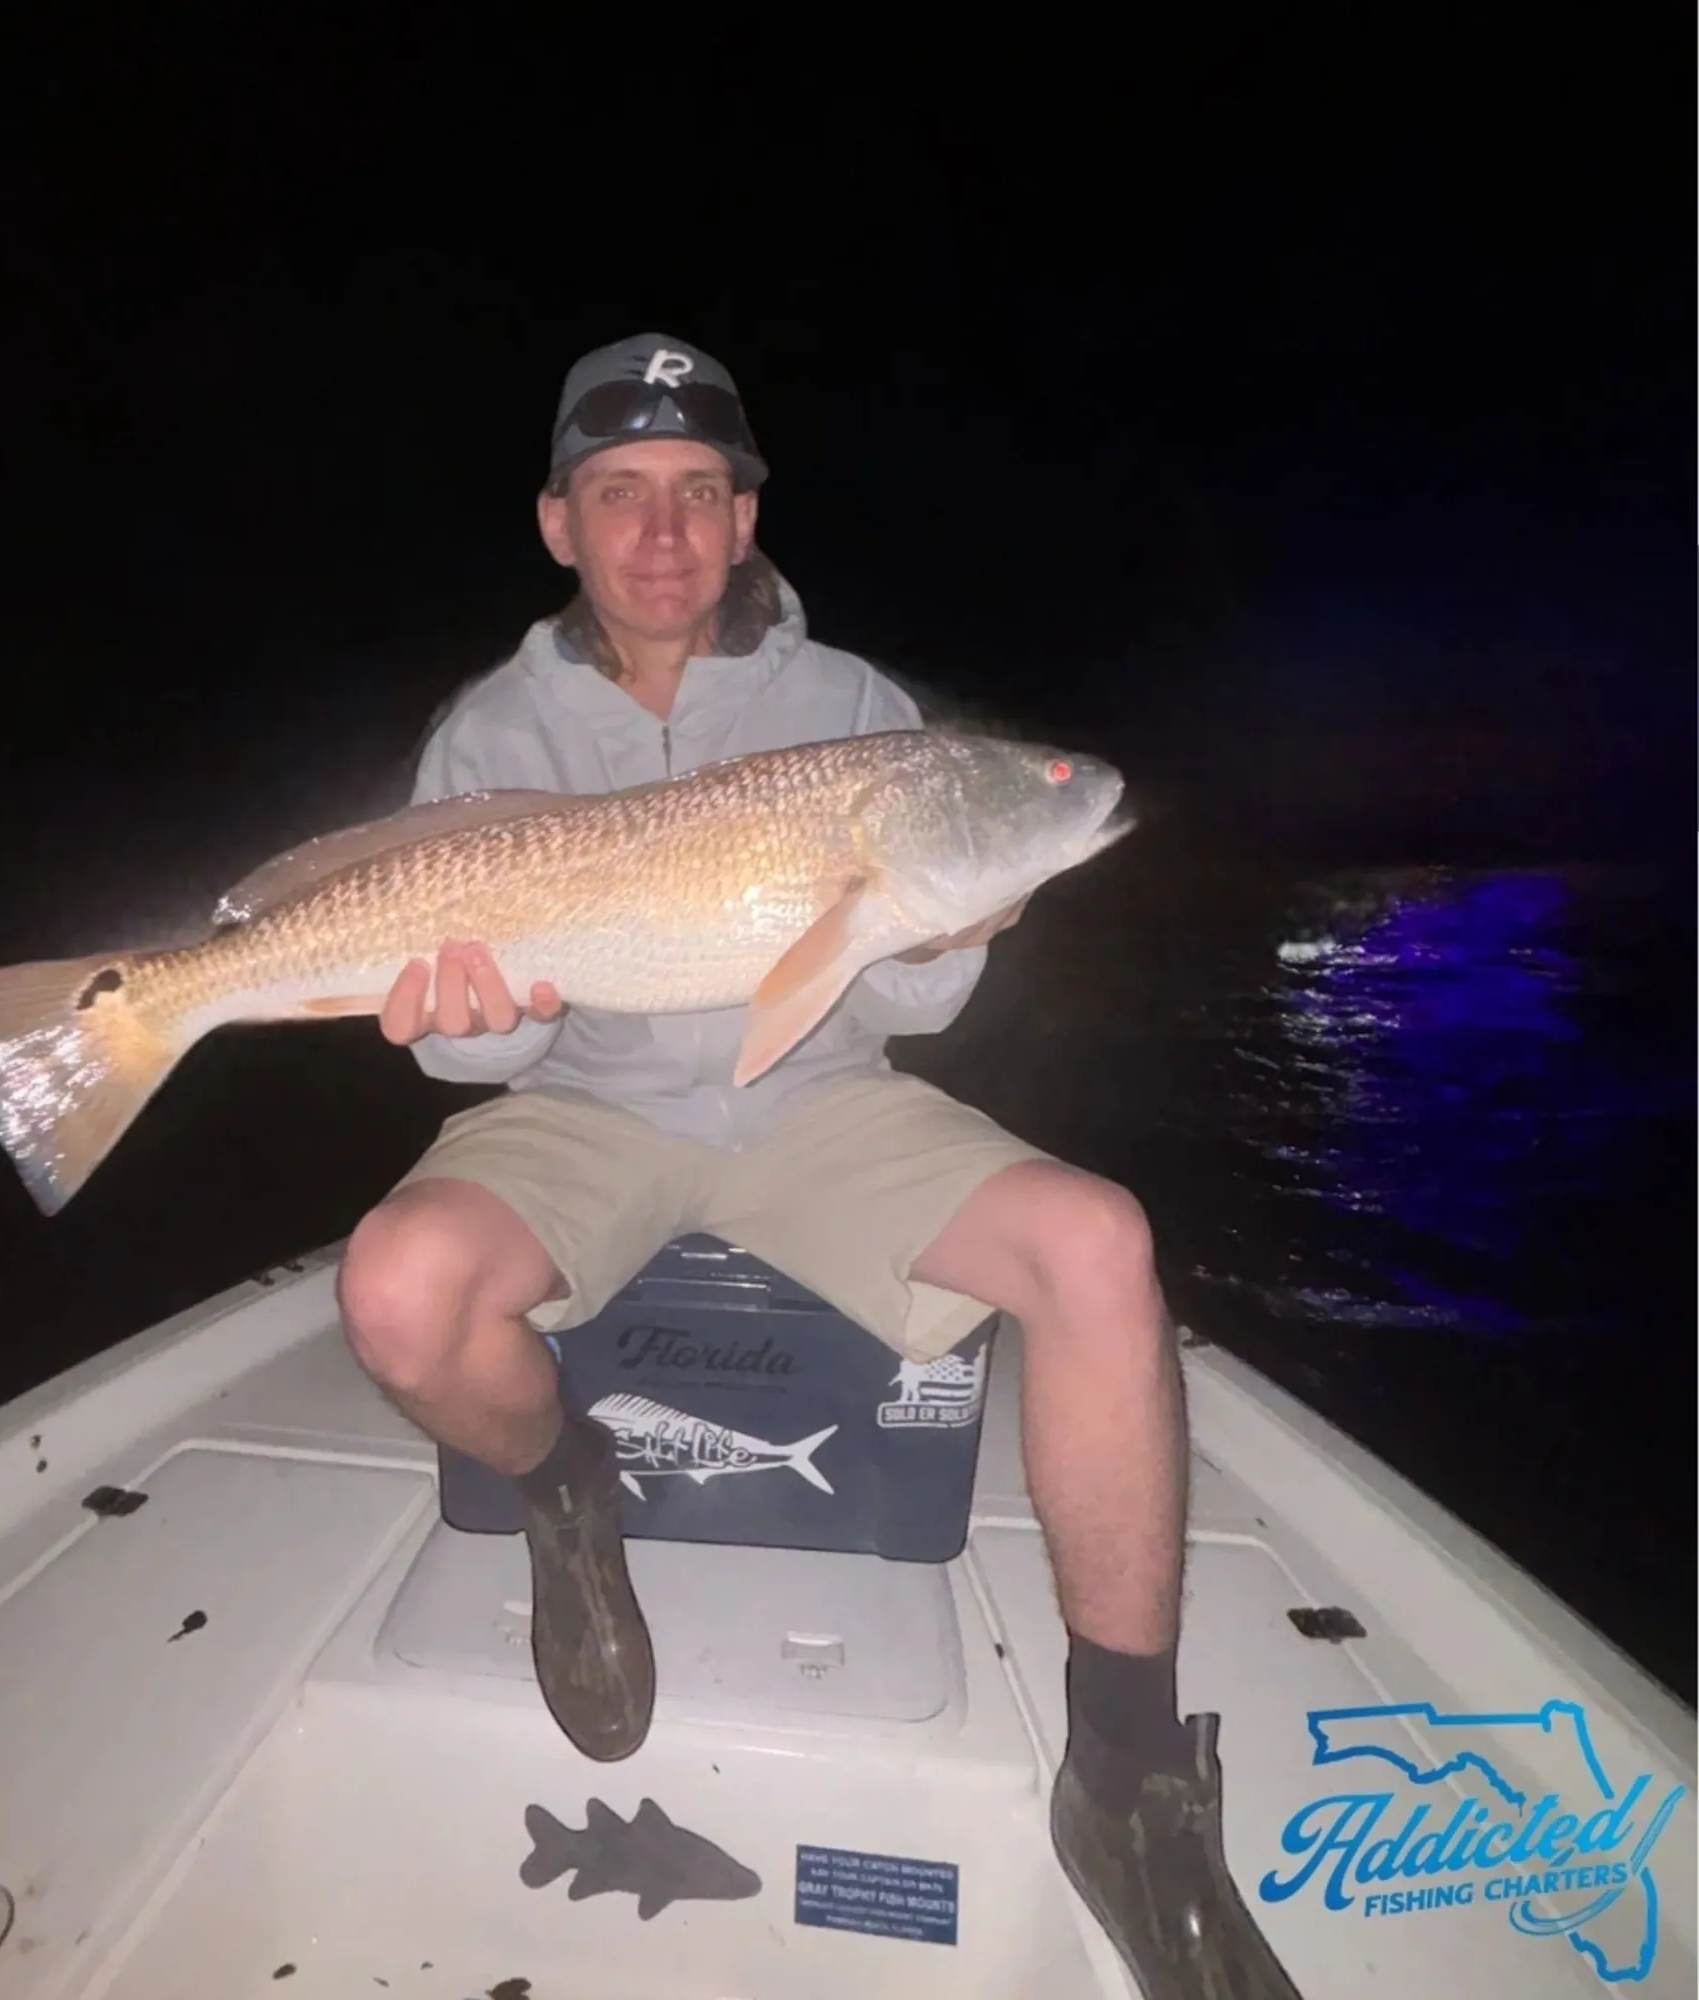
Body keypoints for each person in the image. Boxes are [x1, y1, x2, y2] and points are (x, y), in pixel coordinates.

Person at [338, 332, 1302, 1999]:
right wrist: (470, 1013)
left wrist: (960, 920)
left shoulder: (859, 713)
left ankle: (1127, 1779)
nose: (663, 531)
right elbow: (461, 1055)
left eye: (699, 491)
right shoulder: (490, 731)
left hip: (819, 1103)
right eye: (621, 494)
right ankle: (567, 1489)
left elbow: (908, 1000)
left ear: (745, 513)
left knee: (1099, 1245)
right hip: (585, 1103)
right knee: (398, 1291)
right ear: (560, 523)